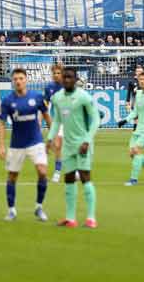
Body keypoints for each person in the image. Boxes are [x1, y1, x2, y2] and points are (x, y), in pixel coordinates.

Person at [45, 67, 99, 229]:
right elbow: (57, 121)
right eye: (65, 77)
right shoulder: (57, 98)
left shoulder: (83, 97)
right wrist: (49, 139)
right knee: (68, 179)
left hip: (83, 144)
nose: (67, 80)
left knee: (84, 177)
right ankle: (70, 218)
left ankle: (91, 218)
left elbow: (95, 119)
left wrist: (87, 140)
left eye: (70, 77)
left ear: (76, 79)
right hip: (67, 146)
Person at [0, 68, 51, 222]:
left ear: (26, 80)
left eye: (21, 78)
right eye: (15, 79)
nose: (18, 81)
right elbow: (2, 123)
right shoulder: (7, 101)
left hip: (36, 141)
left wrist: (52, 138)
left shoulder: (37, 98)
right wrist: (1, 145)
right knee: (12, 176)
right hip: (17, 144)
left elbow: (47, 118)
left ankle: (39, 207)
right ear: (13, 82)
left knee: (42, 171)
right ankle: (11, 210)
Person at [41, 64, 65, 182]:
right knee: (57, 145)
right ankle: (57, 171)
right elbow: (44, 105)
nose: (56, 75)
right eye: (54, 73)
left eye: (58, 73)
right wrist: (40, 120)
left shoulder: (68, 86)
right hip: (57, 120)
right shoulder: (49, 87)